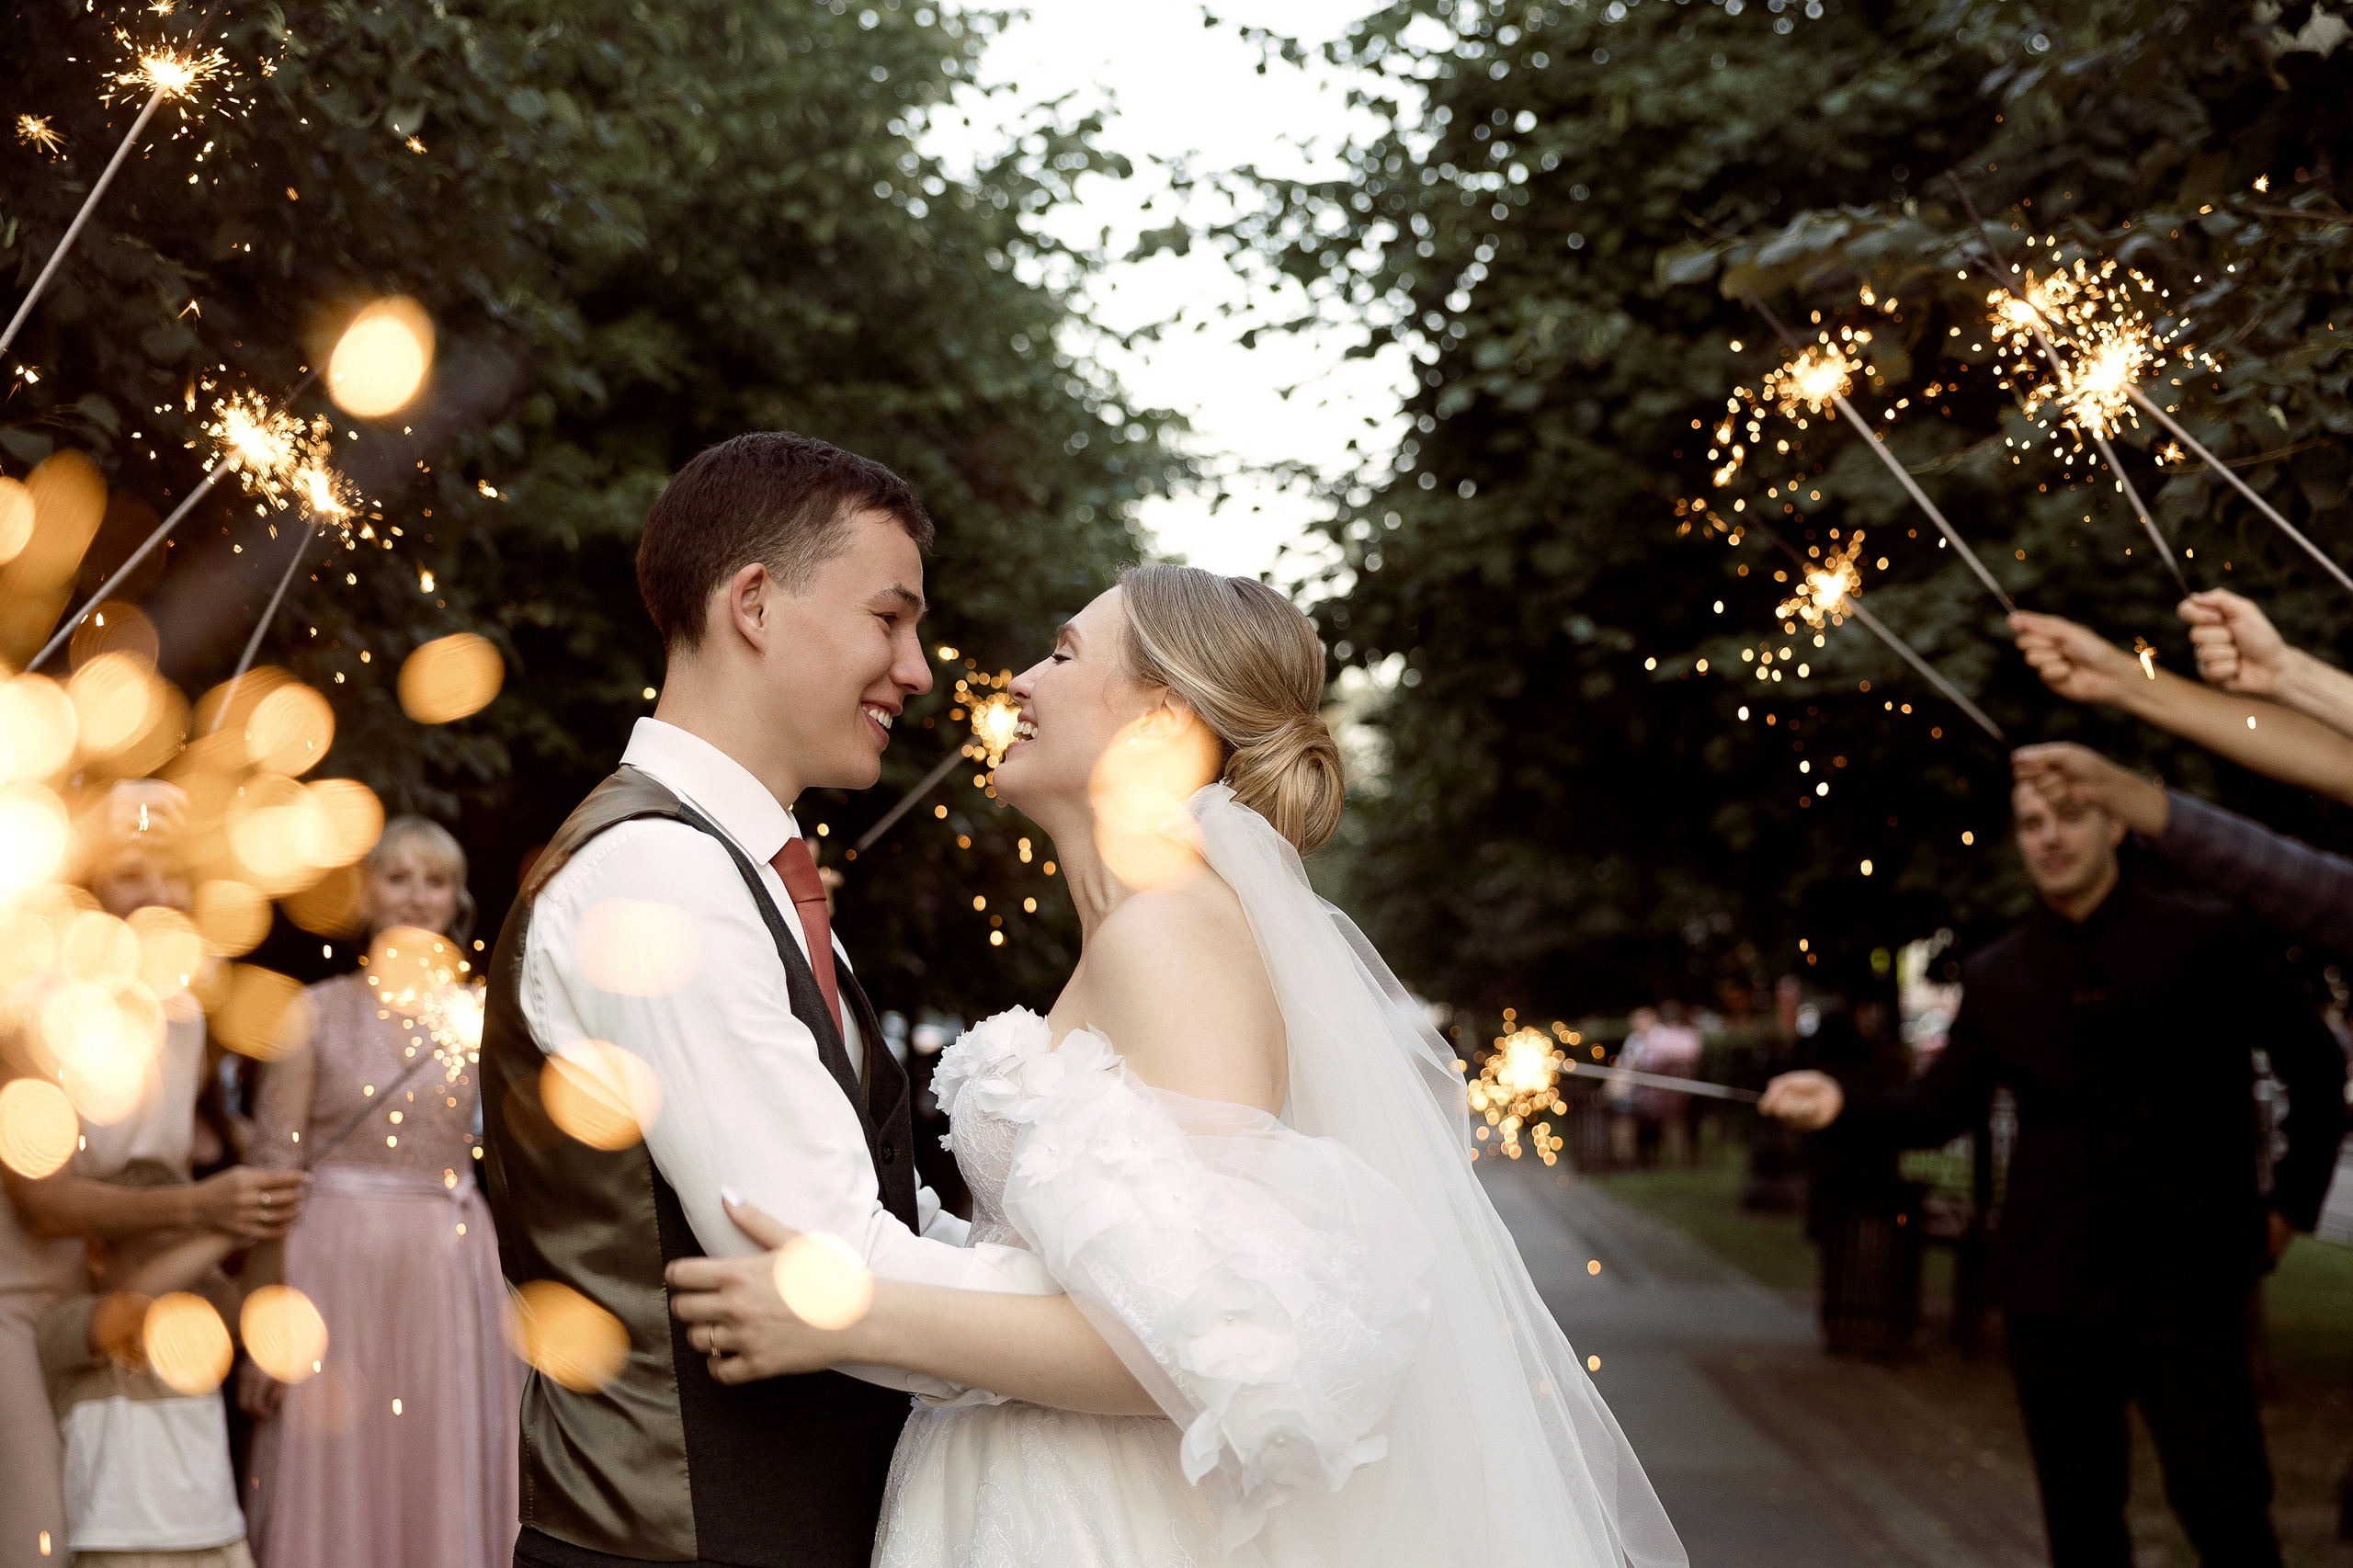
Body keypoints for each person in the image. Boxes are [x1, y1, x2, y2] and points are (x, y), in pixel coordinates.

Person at [662, 564, 1687, 1566]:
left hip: (1095, 1515)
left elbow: (1222, 1351)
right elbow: (1102, 1260)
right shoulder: (1146, 932)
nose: (1017, 679)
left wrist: (851, 1313)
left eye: (1062, 652)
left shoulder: (1170, 936)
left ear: (1156, 724)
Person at [480, 433, 1072, 1568]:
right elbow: (828, 1257)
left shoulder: (747, 875)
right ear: (753, 601)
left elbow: (874, 1207)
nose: (917, 669)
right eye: (887, 618)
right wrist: (1112, 1327)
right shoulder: (659, 877)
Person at [1759, 777, 2347, 1568]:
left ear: (2116, 823)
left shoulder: (2207, 938)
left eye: (2071, 814)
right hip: (2053, 1287)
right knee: (2079, 1524)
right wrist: (1841, 1102)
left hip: (2190, 1276)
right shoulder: (2000, 972)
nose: (2050, 836)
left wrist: (2288, 1210)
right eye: (2032, 822)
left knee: (2227, 1509)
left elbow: (2314, 1064)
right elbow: (1940, 1107)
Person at [2, 783, 306, 1568]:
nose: (162, 896)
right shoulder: (29, 1006)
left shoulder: (186, 1016)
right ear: (90, 885)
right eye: (134, 873)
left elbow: (154, 1200)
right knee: (38, 1541)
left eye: (175, 874)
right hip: (22, 1302)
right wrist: (210, 1204)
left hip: (116, 1299)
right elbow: (43, 1203)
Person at [239, 816, 517, 1568]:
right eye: (399, 877)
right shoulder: (313, 1012)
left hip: (448, 1269)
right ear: (363, 894)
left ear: (457, 899)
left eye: (436, 881)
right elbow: (271, 1180)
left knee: (436, 1452)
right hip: (334, 1271)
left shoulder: (481, 1016)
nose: (418, 897)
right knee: (335, 1452)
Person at [39, 1162, 252, 1568]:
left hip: (219, 1543)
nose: (181, 1277)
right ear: (98, 1255)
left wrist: (272, 1219)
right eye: (168, 1261)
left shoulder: (199, 1323)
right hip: (117, 1551)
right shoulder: (63, 1326)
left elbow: (255, 1298)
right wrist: (225, 1230)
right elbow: (130, 1306)